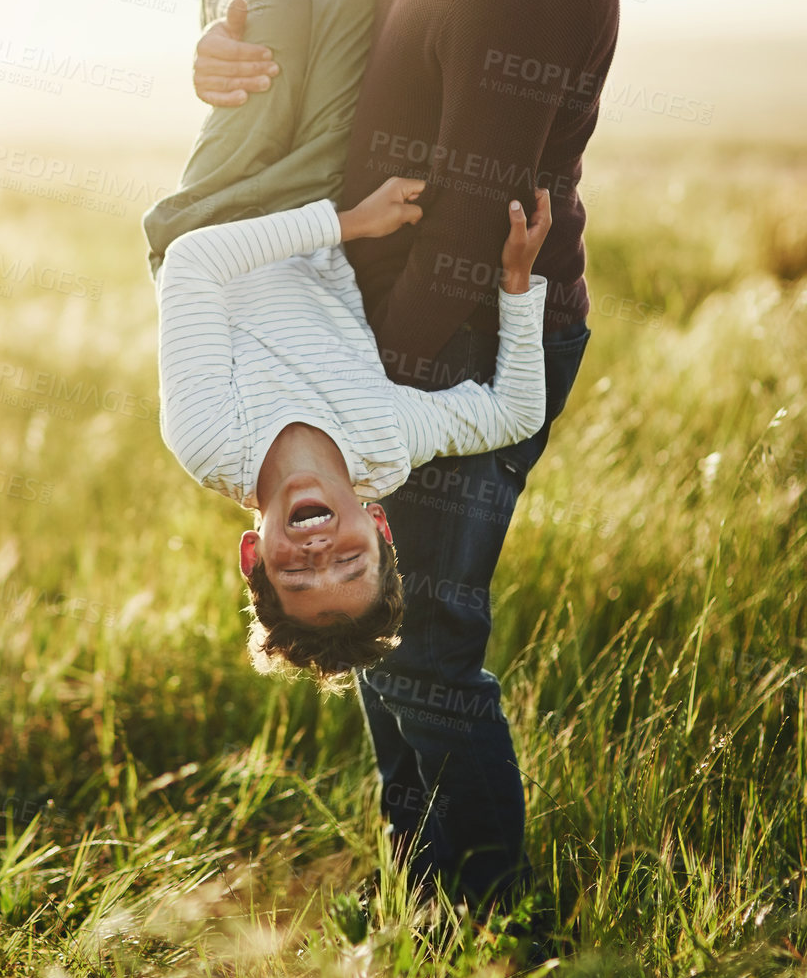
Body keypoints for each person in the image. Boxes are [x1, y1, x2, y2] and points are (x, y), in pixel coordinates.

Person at [186, 0, 621, 913]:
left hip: (466, 337)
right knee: (387, 642)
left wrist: (355, 388)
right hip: (373, 326)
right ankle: (421, 899)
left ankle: (484, 923)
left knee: (426, 647)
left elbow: (470, 220)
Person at [155, 160, 550, 685]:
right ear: (379, 526)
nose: (318, 552)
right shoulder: (384, 443)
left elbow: (192, 261)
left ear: (254, 558)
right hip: (322, 199)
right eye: (349, 561)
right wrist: (517, 280)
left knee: (274, 73)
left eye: (295, 574)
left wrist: (353, 222)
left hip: (222, 205)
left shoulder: (211, 442)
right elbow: (516, 413)